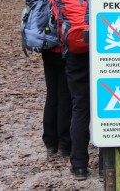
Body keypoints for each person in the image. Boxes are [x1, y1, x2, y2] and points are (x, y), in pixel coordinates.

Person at [53, 0, 91, 181]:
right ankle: (109, 156)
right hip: (101, 45)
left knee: (80, 106)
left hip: (72, 50)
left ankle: (79, 165)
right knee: (107, 101)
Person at [41, 15, 72, 159]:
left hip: (47, 46)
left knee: (52, 94)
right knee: (65, 96)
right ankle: (64, 144)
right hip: (66, 48)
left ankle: (50, 143)